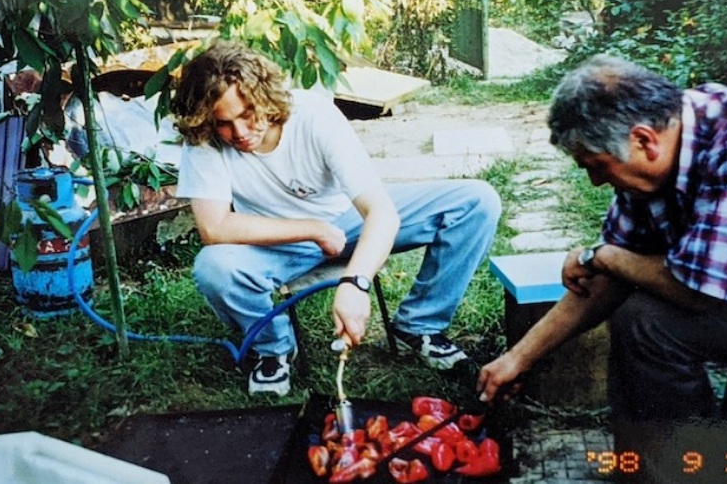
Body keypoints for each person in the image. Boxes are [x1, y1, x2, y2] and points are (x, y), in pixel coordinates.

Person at [477, 54, 727, 429]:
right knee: (644, 316)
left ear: (643, 140)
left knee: (649, 325)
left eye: (595, 166)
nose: (595, 182)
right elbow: (609, 276)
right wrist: (517, 358)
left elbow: (699, 290)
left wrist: (603, 257)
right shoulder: (661, 146)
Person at [171, 40, 501, 396]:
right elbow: (214, 227)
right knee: (213, 266)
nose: (240, 132)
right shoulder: (203, 140)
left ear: (265, 96)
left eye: (248, 114)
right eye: (225, 123)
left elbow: (379, 211)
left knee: (476, 201)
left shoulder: (313, 114)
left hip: (347, 220)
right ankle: (273, 349)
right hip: (276, 242)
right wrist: (312, 230)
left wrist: (356, 283)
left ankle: (419, 324)